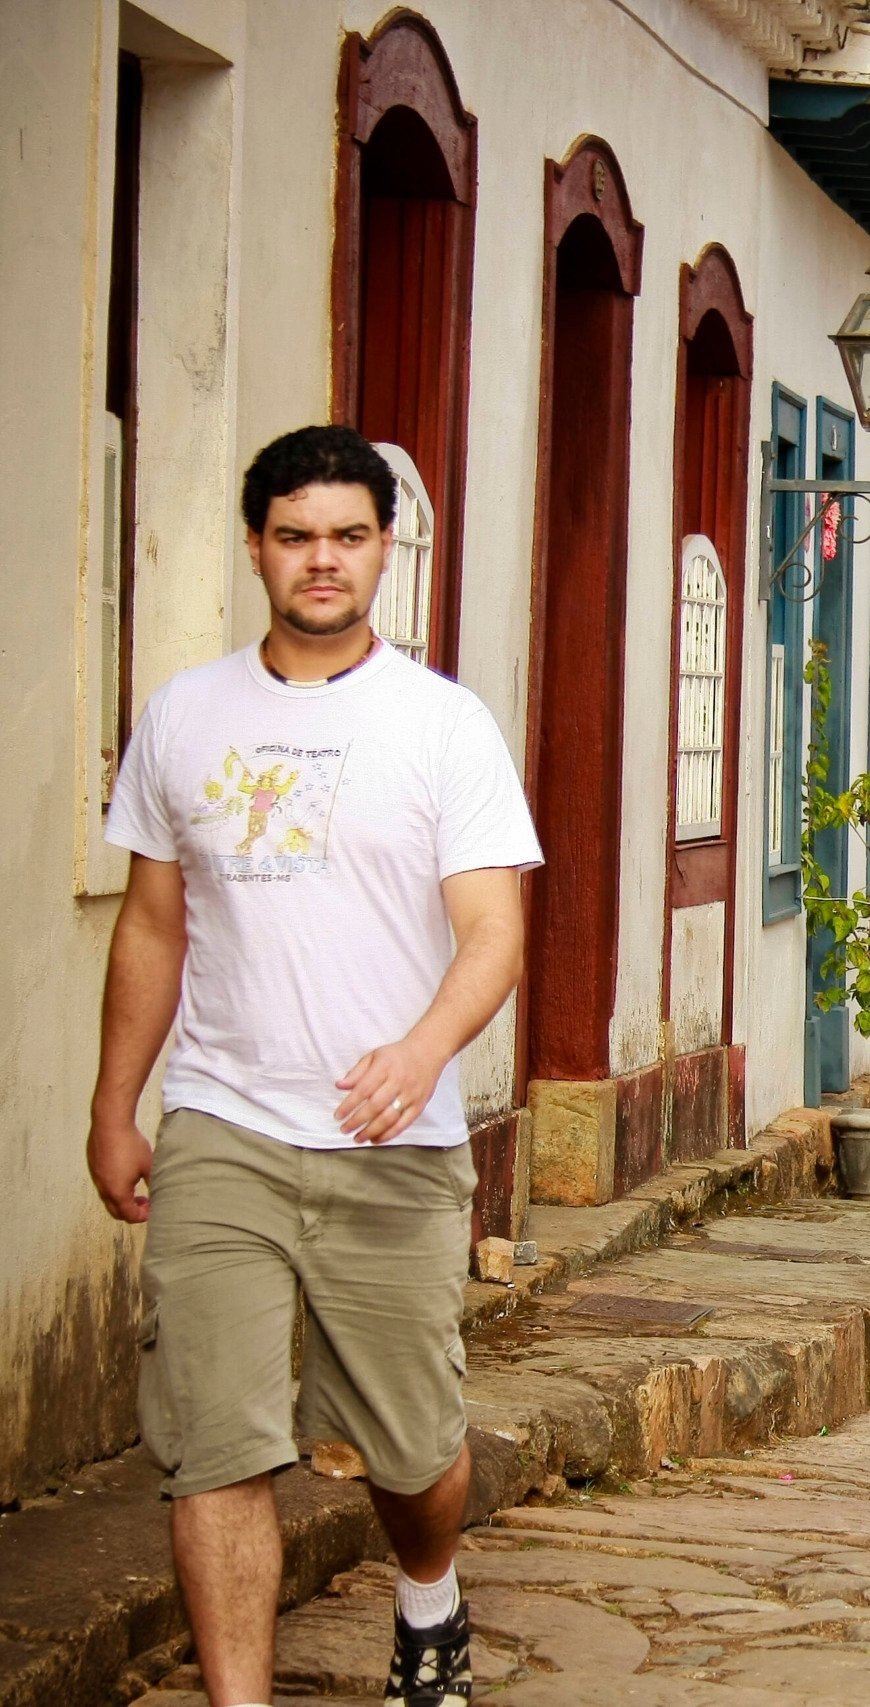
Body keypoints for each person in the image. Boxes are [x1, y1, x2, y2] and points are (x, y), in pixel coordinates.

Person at [87, 425, 541, 1707]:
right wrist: (117, 1105)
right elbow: (153, 923)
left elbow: (495, 928)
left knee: (407, 1451)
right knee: (213, 1447)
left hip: (390, 1140)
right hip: (222, 1123)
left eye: (347, 536)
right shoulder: (185, 714)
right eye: (295, 537)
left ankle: (428, 1593)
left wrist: (422, 1048)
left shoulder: (443, 726)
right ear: (257, 549)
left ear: (384, 548)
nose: (322, 561)